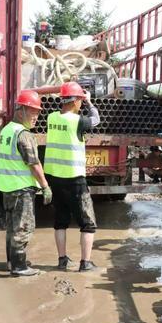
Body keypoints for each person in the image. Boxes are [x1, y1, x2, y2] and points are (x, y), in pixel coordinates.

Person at [44, 81, 100, 272]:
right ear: (75, 101)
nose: (81, 104)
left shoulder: (51, 117)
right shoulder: (77, 121)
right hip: (75, 179)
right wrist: (91, 103)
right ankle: (85, 263)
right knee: (88, 223)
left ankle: (62, 260)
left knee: (60, 221)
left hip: (54, 179)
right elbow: (96, 119)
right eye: (81, 101)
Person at [0, 90, 52, 277]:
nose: (36, 116)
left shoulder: (6, 130)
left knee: (12, 227)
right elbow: (34, 164)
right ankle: (20, 267)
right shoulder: (23, 134)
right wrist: (45, 186)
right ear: (20, 110)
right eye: (32, 111)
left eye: (37, 112)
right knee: (23, 227)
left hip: (8, 187)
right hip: (21, 189)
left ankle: (12, 262)